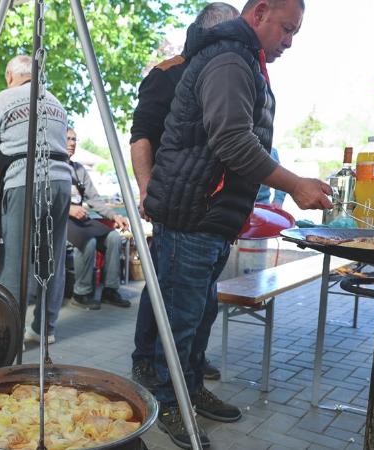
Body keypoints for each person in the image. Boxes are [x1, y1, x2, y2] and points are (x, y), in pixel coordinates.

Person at [143, 0, 333, 447]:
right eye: (286, 29)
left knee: (201, 314)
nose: (289, 41)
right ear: (260, 12)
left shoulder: (244, 59)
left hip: (210, 218)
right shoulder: (230, 58)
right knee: (181, 320)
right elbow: (231, 140)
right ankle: (169, 404)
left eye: (294, 33)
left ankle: (189, 390)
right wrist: (295, 185)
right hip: (189, 215)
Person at [128, 1, 240, 410]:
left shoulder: (227, 72)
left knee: (186, 293)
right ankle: (148, 363)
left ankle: (184, 369)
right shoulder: (168, 73)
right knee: (166, 285)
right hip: (174, 200)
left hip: (210, 210)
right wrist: (147, 191)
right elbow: (141, 136)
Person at [0, 54, 71, 344]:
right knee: (51, 260)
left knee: (14, 261)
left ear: (9, 75)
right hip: (61, 182)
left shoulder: (5, 98)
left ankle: (6, 335)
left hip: (24, 181)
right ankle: (45, 329)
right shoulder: (55, 101)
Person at [64, 128, 131, 310]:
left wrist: (114, 216)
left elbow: (94, 199)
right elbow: (42, 199)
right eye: (68, 139)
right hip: (59, 220)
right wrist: (69, 208)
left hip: (80, 220)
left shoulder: (79, 170)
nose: (72, 143)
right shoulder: (50, 167)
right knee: (89, 241)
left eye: (75, 140)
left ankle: (110, 290)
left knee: (114, 237)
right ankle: (81, 293)